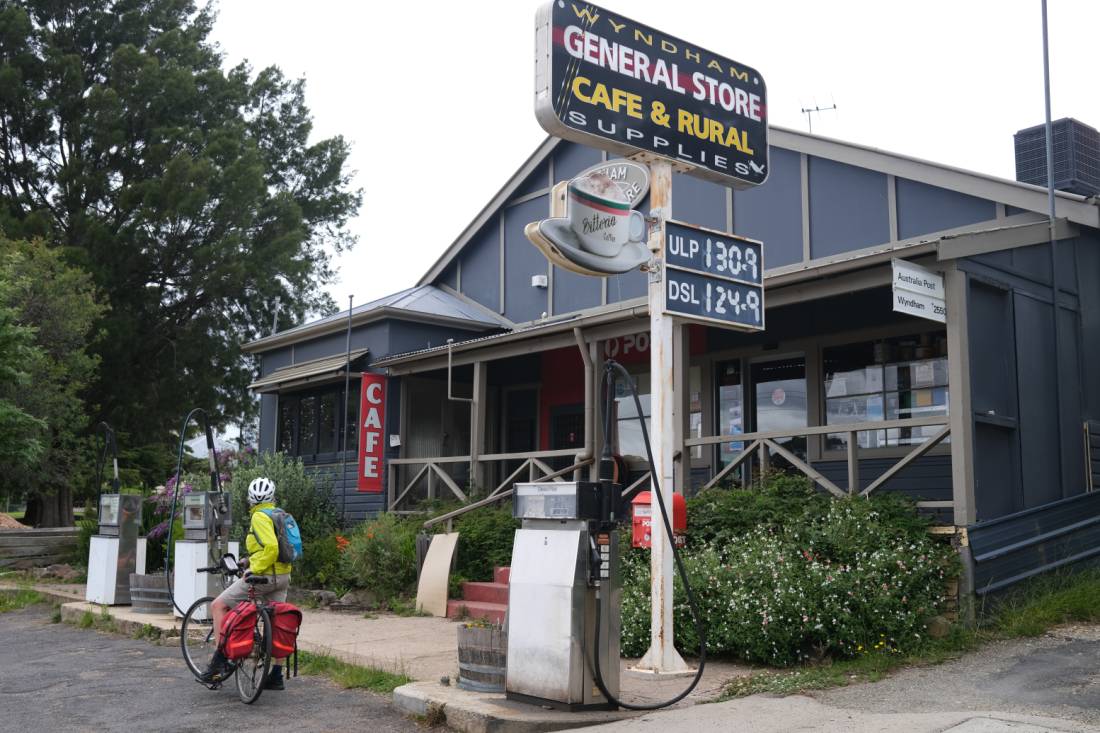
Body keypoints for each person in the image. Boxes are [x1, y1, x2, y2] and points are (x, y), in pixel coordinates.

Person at [199, 476, 293, 688]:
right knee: (277, 623)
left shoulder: (259, 517)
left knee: (218, 605)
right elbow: (275, 549)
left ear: (250, 499)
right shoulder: (279, 515)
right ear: (273, 497)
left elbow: (271, 548)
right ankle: (276, 675)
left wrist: (252, 569)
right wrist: (249, 559)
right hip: (283, 577)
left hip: (264, 577)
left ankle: (219, 663)